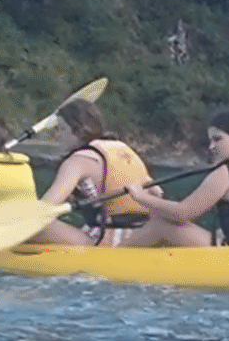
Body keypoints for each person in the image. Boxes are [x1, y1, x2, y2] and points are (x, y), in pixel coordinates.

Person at [122, 110, 229, 247]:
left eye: (218, 139)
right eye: (210, 140)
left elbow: (183, 213)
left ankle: (116, 259)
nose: (211, 146)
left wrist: (142, 197)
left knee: (160, 223)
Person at [32, 99, 153, 246]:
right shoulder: (121, 148)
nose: (57, 136)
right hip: (141, 234)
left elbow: (45, 208)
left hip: (104, 238)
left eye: (62, 129)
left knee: (33, 224)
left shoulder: (77, 161)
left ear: (78, 130)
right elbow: (157, 192)